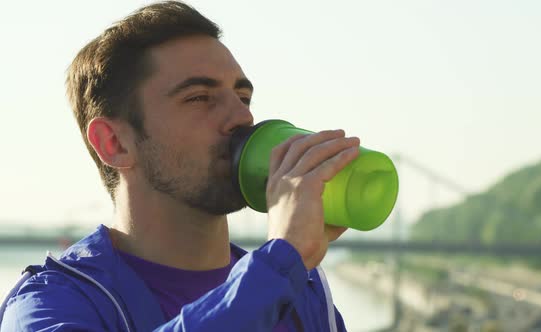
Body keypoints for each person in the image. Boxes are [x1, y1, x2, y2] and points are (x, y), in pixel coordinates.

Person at [0, 1, 361, 331]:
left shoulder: (305, 294)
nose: (243, 116)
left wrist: (284, 265)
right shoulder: (52, 304)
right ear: (115, 143)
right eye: (199, 98)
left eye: (243, 96)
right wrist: (281, 261)